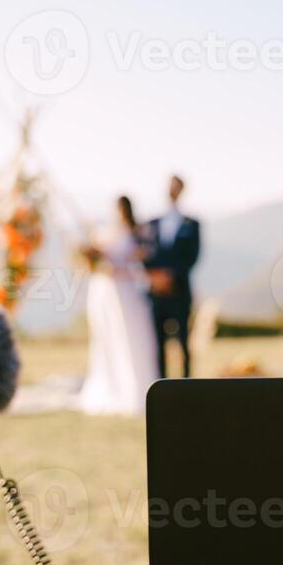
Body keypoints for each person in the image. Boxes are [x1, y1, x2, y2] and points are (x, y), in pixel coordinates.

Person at [79, 196, 159, 416]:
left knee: (134, 338)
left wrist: (117, 270)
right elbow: (96, 260)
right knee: (107, 338)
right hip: (106, 294)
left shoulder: (138, 233)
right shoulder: (105, 232)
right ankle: (112, 387)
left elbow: (140, 262)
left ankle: (136, 388)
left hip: (128, 292)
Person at [142, 175, 201, 379]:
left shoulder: (192, 224)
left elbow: (193, 256)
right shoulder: (152, 223)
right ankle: (161, 383)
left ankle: (186, 383)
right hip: (156, 293)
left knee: (184, 341)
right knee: (157, 343)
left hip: (180, 291)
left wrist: (171, 276)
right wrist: (154, 277)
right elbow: (144, 253)